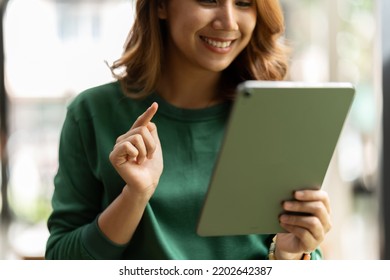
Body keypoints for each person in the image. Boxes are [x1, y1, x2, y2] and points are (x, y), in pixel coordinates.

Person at [45, 0, 331, 260]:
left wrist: (288, 256)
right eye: (209, 1)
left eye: (244, 3)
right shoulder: (92, 113)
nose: (228, 21)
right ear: (160, 6)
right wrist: (134, 197)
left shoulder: (276, 116)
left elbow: (304, 255)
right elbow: (62, 261)